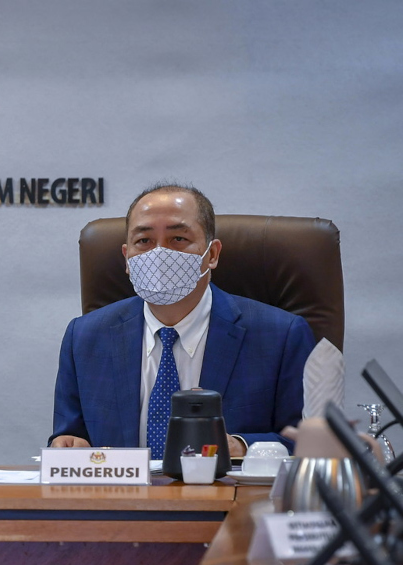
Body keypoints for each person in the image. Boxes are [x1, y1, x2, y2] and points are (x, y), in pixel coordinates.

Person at [50, 183, 314, 457]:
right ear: (127, 258)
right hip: (123, 498)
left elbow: (308, 442)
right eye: (144, 241)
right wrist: (69, 445)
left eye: (178, 239)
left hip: (227, 497)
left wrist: (240, 446)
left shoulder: (281, 335)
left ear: (212, 254)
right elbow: (69, 436)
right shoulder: (84, 337)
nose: (159, 254)